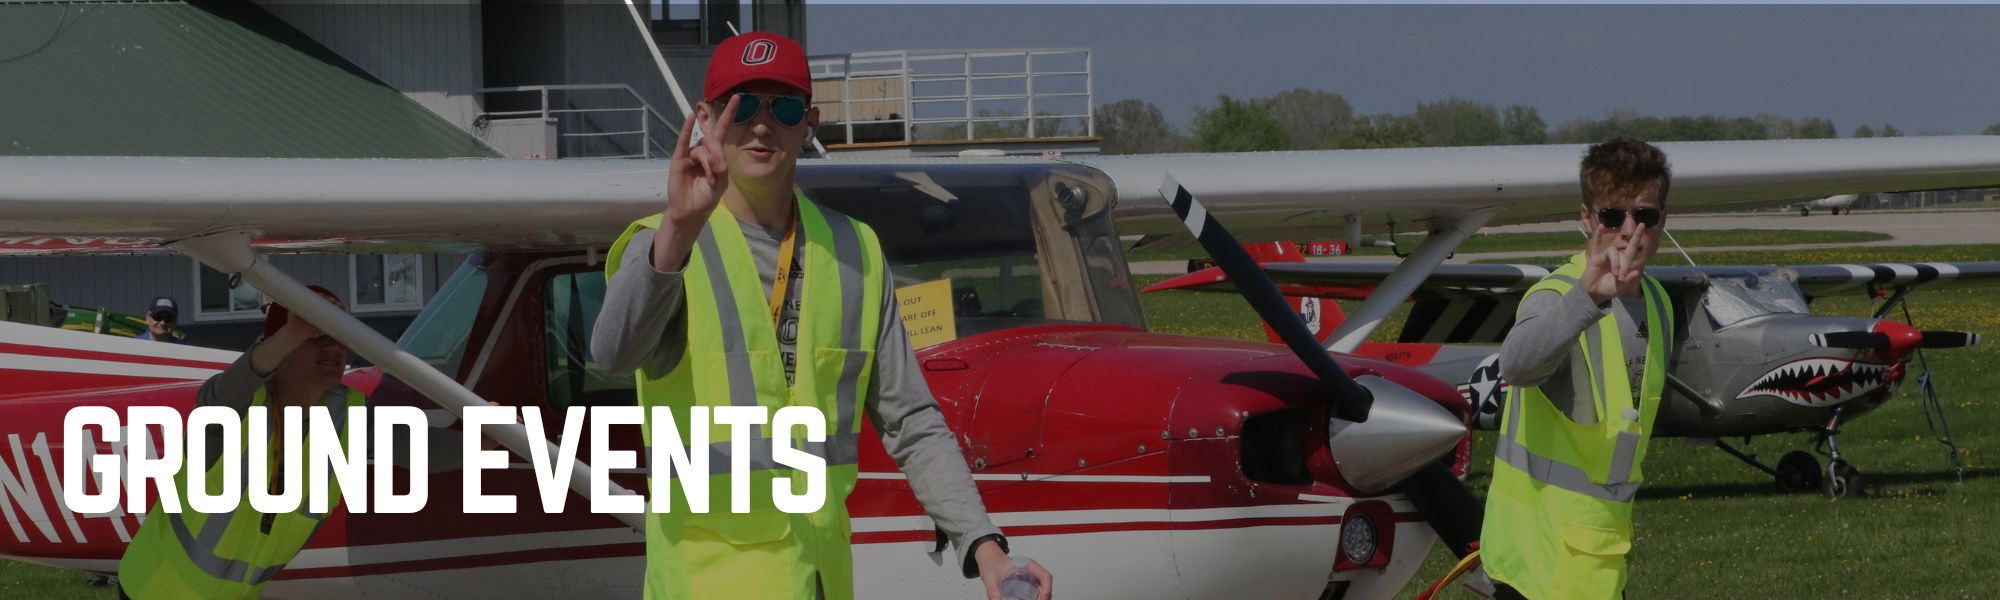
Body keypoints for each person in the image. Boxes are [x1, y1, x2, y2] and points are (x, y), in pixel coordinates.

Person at [593, 32, 1052, 600]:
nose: (762, 125)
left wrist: (986, 548)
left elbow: (911, 419)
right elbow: (613, 353)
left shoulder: (856, 249)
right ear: (706, 118)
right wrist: (678, 229)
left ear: (808, 123)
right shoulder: (663, 244)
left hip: (820, 582)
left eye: (782, 107)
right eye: (742, 107)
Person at [1481, 137, 1674, 600]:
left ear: (1663, 221)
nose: (1630, 231)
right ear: (1587, 219)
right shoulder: (1557, 295)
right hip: (1535, 567)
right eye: (1613, 216)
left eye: (1645, 215)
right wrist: (1588, 298)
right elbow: (1517, 364)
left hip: (1599, 565)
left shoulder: (1661, 304)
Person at [118, 286, 361, 599]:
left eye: (340, 336)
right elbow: (224, 391)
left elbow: (428, 452)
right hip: (153, 591)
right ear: (280, 346)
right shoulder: (234, 408)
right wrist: (290, 334)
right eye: (316, 337)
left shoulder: (349, 416)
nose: (334, 348)